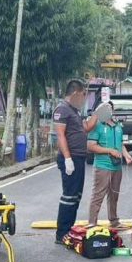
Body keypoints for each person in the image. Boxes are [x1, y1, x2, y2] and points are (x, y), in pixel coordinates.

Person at [54, 79, 100, 243]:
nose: (84, 98)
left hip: (79, 158)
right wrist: (67, 158)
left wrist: (98, 114)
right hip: (70, 157)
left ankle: (69, 229)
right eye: (83, 95)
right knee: (69, 196)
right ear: (75, 93)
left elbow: (86, 128)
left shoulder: (74, 111)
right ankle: (62, 233)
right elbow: (60, 135)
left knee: (76, 196)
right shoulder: (62, 109)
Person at [86, 102, 132, 228]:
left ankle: (114, 221)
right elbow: (91, 146)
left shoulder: (118, 126)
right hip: (102, 165)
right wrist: (110, 151)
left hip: (117, 166)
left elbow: (121, 144)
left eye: (110, 108)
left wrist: (126, 155)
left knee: (114, 195)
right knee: (98, 194)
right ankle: (92, 222)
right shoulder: (97, 126)